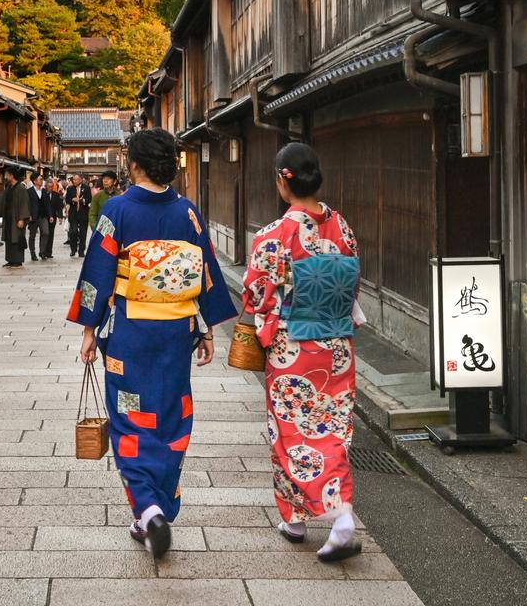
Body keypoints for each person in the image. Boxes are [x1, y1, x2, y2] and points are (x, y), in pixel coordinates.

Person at [68, 128, 237, 559]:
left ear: (135, 164)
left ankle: (147, 509)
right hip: (177, 333)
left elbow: (98, 273)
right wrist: (208, 328)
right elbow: (205, 272)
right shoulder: (189, 213)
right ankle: (160, 502)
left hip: (130, 335)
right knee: (170, 417)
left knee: (130, 420)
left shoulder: (119, 211)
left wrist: (89, 329)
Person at [241, 142, 363, 563]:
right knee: (332, 429)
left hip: (294, 349)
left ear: (282, 180)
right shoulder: (341, 226)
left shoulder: (274, 234)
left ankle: (338, 517)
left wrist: (267, 320)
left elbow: (257, 292)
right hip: (336, 345)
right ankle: (298, 517)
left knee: (293, 433)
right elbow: (351, 283)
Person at [1, 167, 32, 268]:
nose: (6, 176)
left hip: (17, 218)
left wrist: (22, 219)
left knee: (17, 238)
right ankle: (10, 259)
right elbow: (2, 197)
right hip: (9, 218)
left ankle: (17, 260)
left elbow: (24, 204)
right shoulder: (9, 187)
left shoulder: (21, 188)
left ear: (11, 175)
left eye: (7, 174)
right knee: (9, 238)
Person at [64, 174, 91, 257]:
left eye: (76, 180)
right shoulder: (70, 189)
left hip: (83, 213)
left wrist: (82, 200)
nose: (75, 181)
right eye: (74, 180)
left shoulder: (86, 188)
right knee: (73, 231)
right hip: (73, 213)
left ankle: (81, 250)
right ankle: (73, 249)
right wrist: (73, 200)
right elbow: (67, 199)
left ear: (80, 180)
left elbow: (89, 199)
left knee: (83, 233)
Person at [26, 173, 51, 262]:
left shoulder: (44, 191)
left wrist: (50, 215)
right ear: (35, 181)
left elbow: (48, 204)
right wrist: (28, 215)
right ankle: (33, 253)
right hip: (33, 217)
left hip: (43, 216)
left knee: (46, 232)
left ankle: (42, 252)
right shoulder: (29, 191)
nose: (42, 181)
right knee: (32, 235)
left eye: (42, 179)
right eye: (40, 179)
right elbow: (27, 204)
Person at [42, 177, 64, 260]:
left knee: (51, 234)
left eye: (51, 186)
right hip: (44, 217)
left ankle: (49, 252)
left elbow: (59, 207)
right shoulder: (43, 194)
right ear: (46, 186)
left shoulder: (56, 195)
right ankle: (43, 251)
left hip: (53, 218)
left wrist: (60, 217)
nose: (50, 188)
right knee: (44, 234)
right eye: (48, 186)